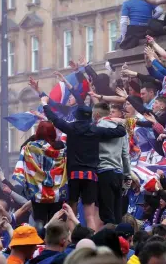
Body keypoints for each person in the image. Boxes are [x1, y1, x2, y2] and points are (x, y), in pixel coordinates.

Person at [41, 97, 127, 231]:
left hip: (74, 175)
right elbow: (121, 132)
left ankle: (71, 238)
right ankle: (91, 240)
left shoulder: (70, 128)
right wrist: (116, 121)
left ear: (76, 115)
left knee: (72, 210)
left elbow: (55, 119)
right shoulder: (95, 130)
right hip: (91, 175)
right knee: (90, 215)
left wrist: (45, 104)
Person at [12, 121, 67, 227]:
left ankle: (39, 242)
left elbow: (22, 150)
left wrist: (34, 138)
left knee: (39, 222)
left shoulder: (30, 147)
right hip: (57, 193)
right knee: (56, 223)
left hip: (38, 193)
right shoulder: (61, 148)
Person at [93, 103, 131, 226]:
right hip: (118, 173)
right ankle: (120, 242)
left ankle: (110, 242)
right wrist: (127, 175)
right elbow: (125, 154)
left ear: (97, 114)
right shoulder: (120, 128)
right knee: (117, 213)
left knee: (107, 214)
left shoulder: (96, 128)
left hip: (104, 172)